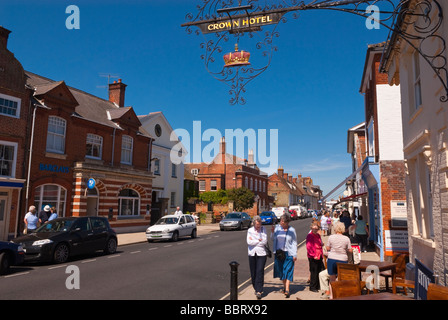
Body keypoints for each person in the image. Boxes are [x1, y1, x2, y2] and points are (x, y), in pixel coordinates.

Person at [272, 214, 297, 298]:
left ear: (287, 222)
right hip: (279, 253)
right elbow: (272, 239)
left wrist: (294, 254)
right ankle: (284, 286)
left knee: (288, 270)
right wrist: (272, 232)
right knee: (281, 271)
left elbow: (294, 243)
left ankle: (287, 289)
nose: (281, 222)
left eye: (283, 221)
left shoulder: (292, 230)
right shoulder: (277, 228)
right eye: (281, 221)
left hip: (289, 253)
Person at [247, 216, 268, 300]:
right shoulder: (250, 230)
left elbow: (264, 242)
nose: (258, 226)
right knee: (253, 272)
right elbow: (249, 242)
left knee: (260, 271)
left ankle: (259, 290)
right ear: (254, 223)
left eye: (259, 225)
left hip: (262, 253)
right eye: (257, 225)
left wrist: (256, 241)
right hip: (252, 253)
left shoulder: (264, 229)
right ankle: (256, 287)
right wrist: (258, 240)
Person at [306, 222, 324, 292]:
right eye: (314, 228)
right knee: (314, 271)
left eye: (316, 229)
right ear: (311, 228)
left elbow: (320, 243)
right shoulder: (310, 236)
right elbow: (308, 246)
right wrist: (313, 255)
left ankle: (318, 285)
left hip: (319, 254)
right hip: (313, 256)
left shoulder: (318, 235)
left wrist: (322, 244)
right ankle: (313, 287)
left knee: (320, 270)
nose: (315, 230)